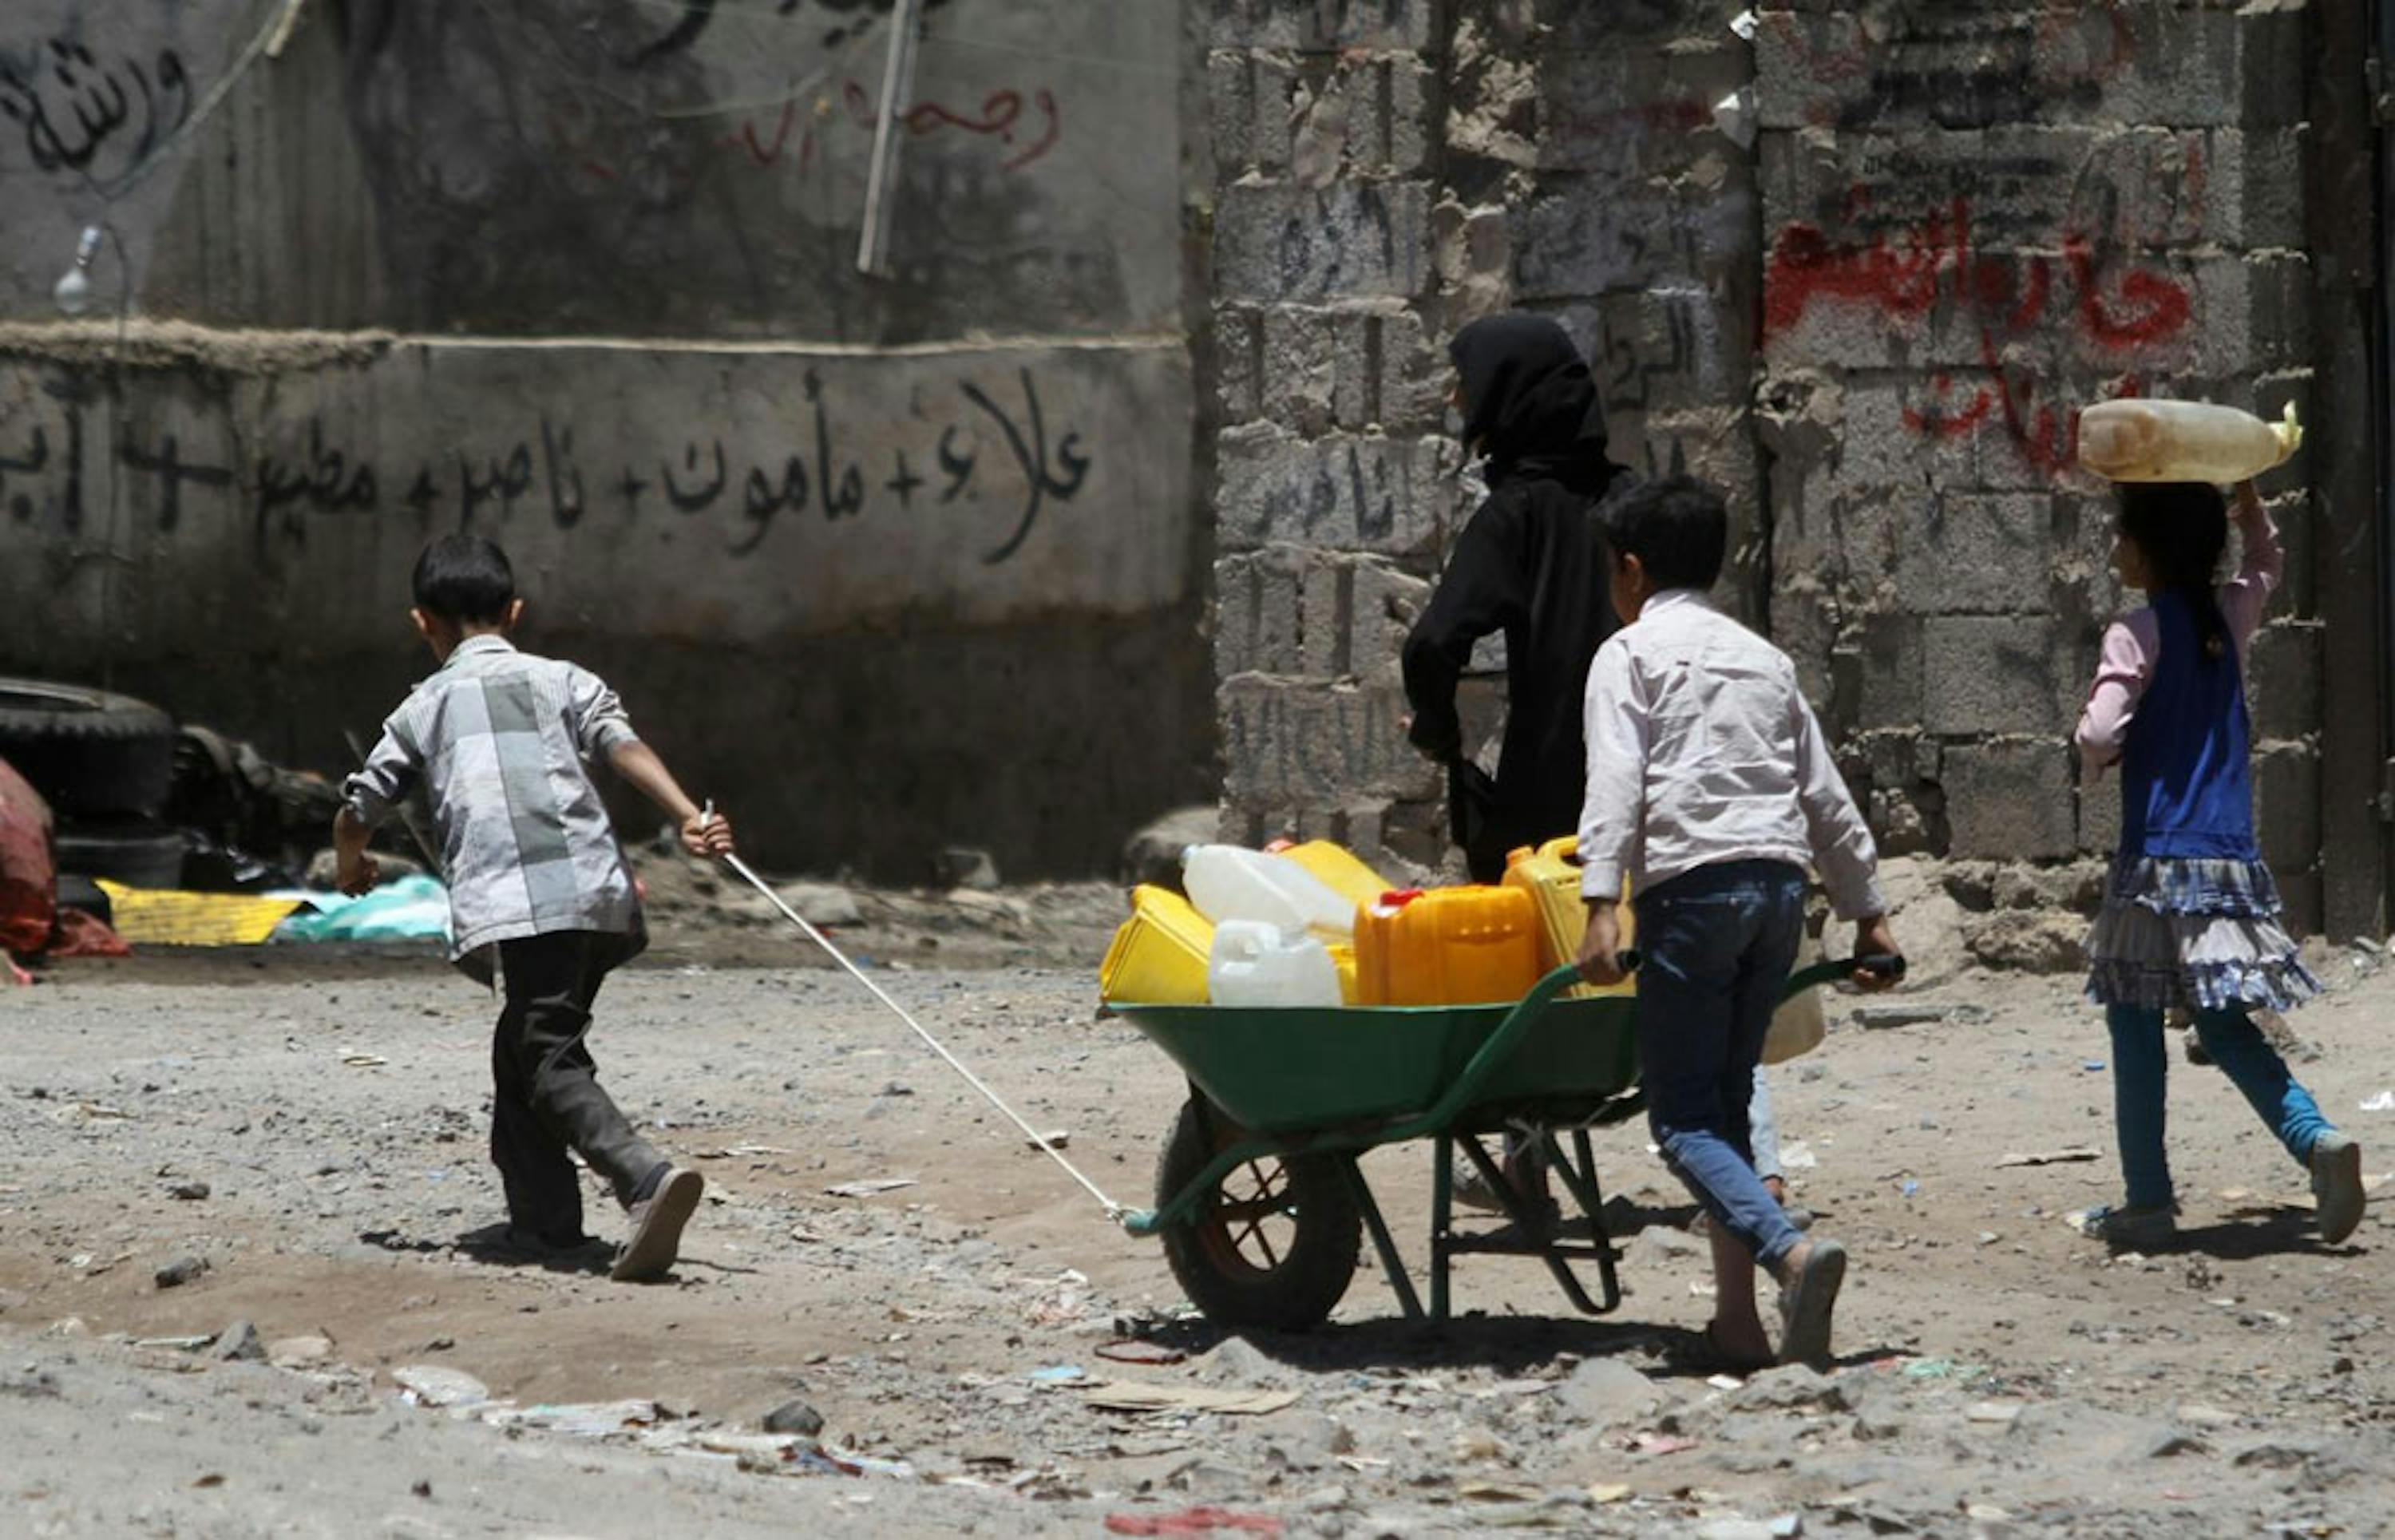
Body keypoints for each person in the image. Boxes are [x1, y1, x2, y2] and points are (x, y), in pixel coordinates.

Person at [335, 534, 737, 1283]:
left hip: (522, 905)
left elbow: (364, 802)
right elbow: (623, 745)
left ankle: (642, 1178)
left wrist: (347, 859)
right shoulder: (565, 680)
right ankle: (544, 1225)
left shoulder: (423, 705)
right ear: (514, 612)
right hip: (595, 892)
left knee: (545, 1052)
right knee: (522, 1044)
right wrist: (687, 814)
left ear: (422, 622)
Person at [1574, 475, 1900, 1370]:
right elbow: (1824, 796)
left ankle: (1791, 1255)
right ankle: (1739, 1325)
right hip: (1778, 893)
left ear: (1631, 571)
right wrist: (1868, 911)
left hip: (1693, 892)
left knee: (1680, 1120)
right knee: (1725, 1107)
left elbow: (1615, 782)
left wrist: (1601, 901)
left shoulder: (1628, 654)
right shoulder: (1763, 658)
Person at [2074, 481, 2362, 1250]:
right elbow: (2267, 560)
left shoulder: (2135, 631)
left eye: (2123, 533)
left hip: (2156, 859)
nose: (2115, 546)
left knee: (2133, 1024)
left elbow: (2101, 733)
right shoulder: (2225, 620)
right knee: (2227, 1027)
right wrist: (2249, 499)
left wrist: (2104, 749)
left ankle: (2148, 1200)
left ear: (2148, 548)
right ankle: (2317, 1140)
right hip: (2228, 859)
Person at [1403, 312, 1626, 884]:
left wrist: (1437, 729)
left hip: (1553, 791)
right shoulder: (1633, 498)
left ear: (1508, 389)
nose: (1456, 397)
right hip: (1645, 773)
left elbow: (1433, 641)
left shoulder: (1515, 513)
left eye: (1467, 381)